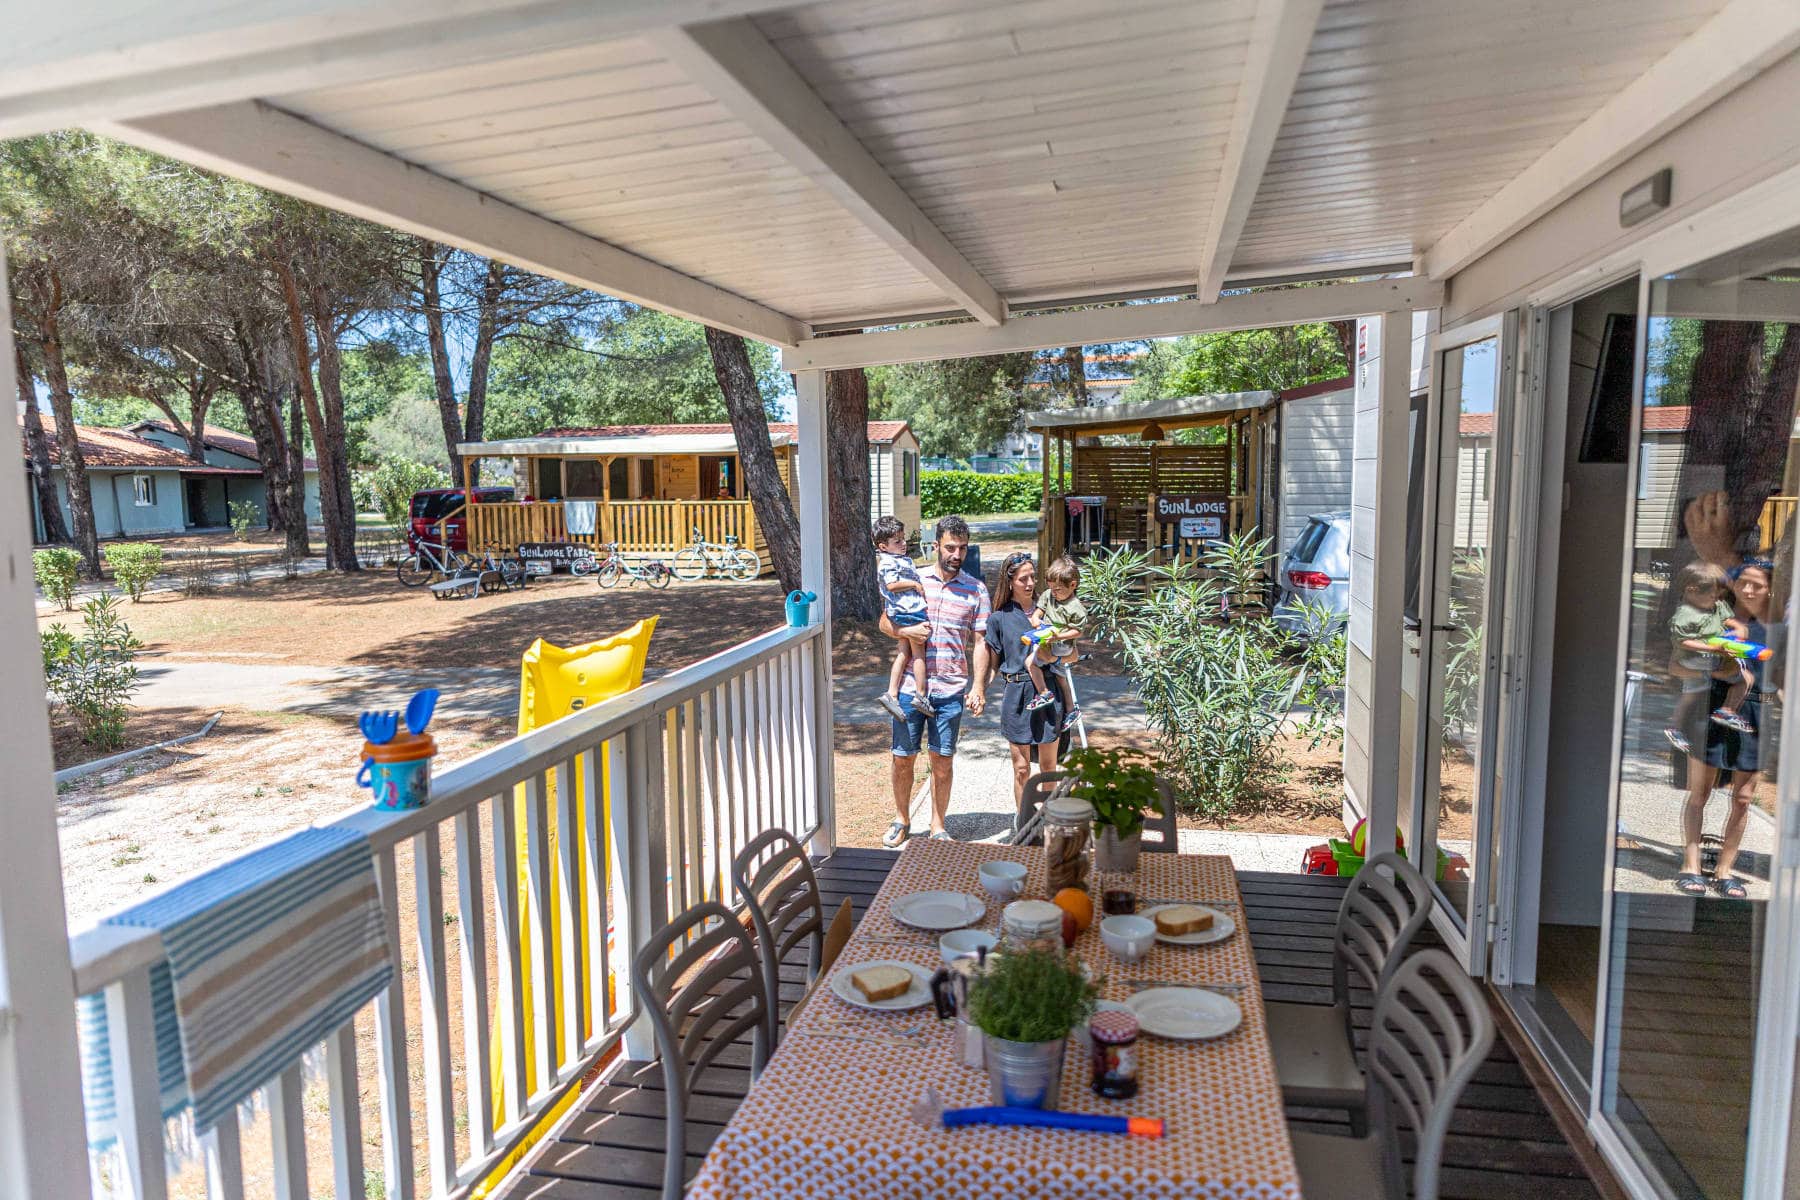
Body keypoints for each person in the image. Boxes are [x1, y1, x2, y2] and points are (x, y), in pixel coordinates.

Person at [1674, 489, 1787, 900]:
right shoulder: (1713, 618)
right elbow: (1676, 663)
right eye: (1744, 584)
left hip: (1756, 713)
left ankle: (1725, 869)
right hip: (1710, 707)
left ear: (1770, 590)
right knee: (1699, 792)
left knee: (1743, 798)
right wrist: (1703, 660)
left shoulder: (1773, 629)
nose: (1750, 591)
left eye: (1758, 586)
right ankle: (1690, 864)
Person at [880, 515, 990, 846]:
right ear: (936, 546)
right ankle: (901, 819)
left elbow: (982, 642)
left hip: (950, 691)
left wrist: (979, 686)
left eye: (963, 549)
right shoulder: (914, 578)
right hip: (911, 691)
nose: (957, 555)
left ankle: (938, 825)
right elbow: (884, 622)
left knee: (942, 761)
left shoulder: (976, 589)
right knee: (903, 758)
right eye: (951, 548)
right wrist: (905, 631)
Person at [982, 552, 1066, 814]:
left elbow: (1066, 655)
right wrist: (978, 691)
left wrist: (1055, 647)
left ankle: (1048, 821)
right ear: (1010, 583)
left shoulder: (1050, 613)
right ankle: (1024, 821)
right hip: (1016, 694)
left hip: (1047, 691)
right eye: (1022, 579)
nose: (1030, 583)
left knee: (1049, 767)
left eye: (1032, 577)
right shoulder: (999, 618)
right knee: (1021, 768)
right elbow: (993, 665)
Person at [1663, 559, 1754, 756]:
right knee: (1690, 696)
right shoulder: (1686, 614)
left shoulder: (1716, 605)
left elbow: (1728, 619)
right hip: (1694, 659)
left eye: (1718, 593)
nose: (1716, 598)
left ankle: (1727, 710)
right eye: (1712, 594)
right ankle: (1675, 728)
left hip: (1714, 656)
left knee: (1745, 678)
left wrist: (1738, 629)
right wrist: (1712, 647)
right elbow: (1682, 641)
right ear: (1692, 590)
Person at [871, 515, 934, 722]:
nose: (903, 543)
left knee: (903, 652)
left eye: (903, 538)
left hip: (903, 611)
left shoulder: (897, 559)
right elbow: (891, 585)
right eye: (897, 541)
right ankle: (921, 695)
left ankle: (892, 693)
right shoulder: (887, 563)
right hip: (909, 612)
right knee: (918, 655)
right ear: (883, 546)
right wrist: (914, 585)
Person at [1033, 554, 1087, 734]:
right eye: (1051, 588)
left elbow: (1078, 631)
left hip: (1061, 642)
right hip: (1047, 637)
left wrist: (1058, 636)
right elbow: (1038, 612)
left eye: (1058, 590)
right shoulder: (1049, 595)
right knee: (1060, 676)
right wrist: (1035, 619)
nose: (1054, 593)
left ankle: (1044, 693)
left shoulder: (1075, 606)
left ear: (1073, 585)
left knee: (1033, 662)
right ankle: (1071, 709)